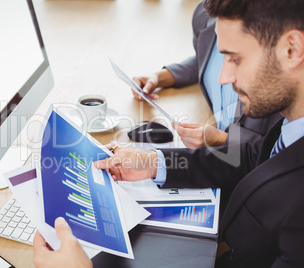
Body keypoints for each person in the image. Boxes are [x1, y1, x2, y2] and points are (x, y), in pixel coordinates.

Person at [33, 0, 304, 267]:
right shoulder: (291, 122)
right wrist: (156, 162)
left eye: (235, 59)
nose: (223, 77)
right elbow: (257, 158)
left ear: (292, 50)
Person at [132, 1, 279, 149]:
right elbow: (204, 59)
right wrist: (161, 77)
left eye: (235, 59)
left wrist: (222, 139)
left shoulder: (276, 44)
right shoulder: (206, 14)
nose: (223, 78)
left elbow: (281, 152)